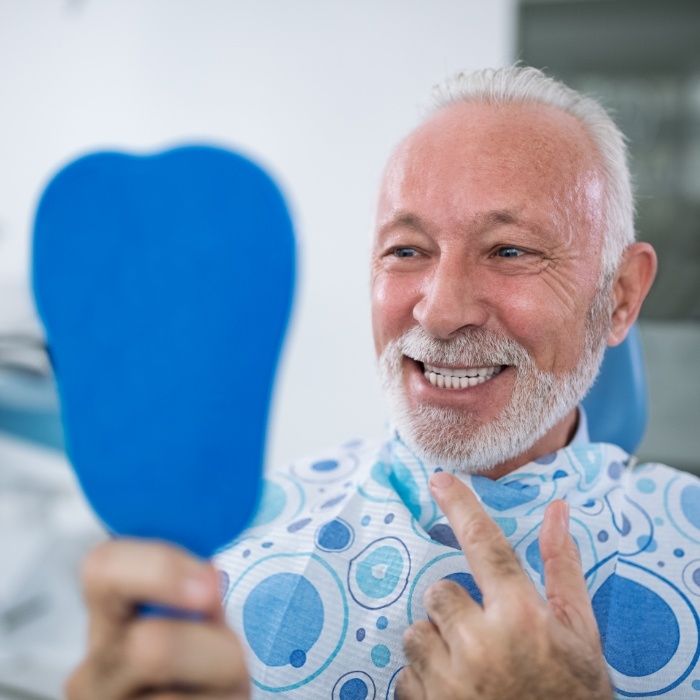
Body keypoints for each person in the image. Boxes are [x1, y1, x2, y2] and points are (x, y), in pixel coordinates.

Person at [66, 67, 700, 700]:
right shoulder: (221, 558)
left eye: (509, 251)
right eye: (406, 250)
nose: (441, 310)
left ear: (619, 297)